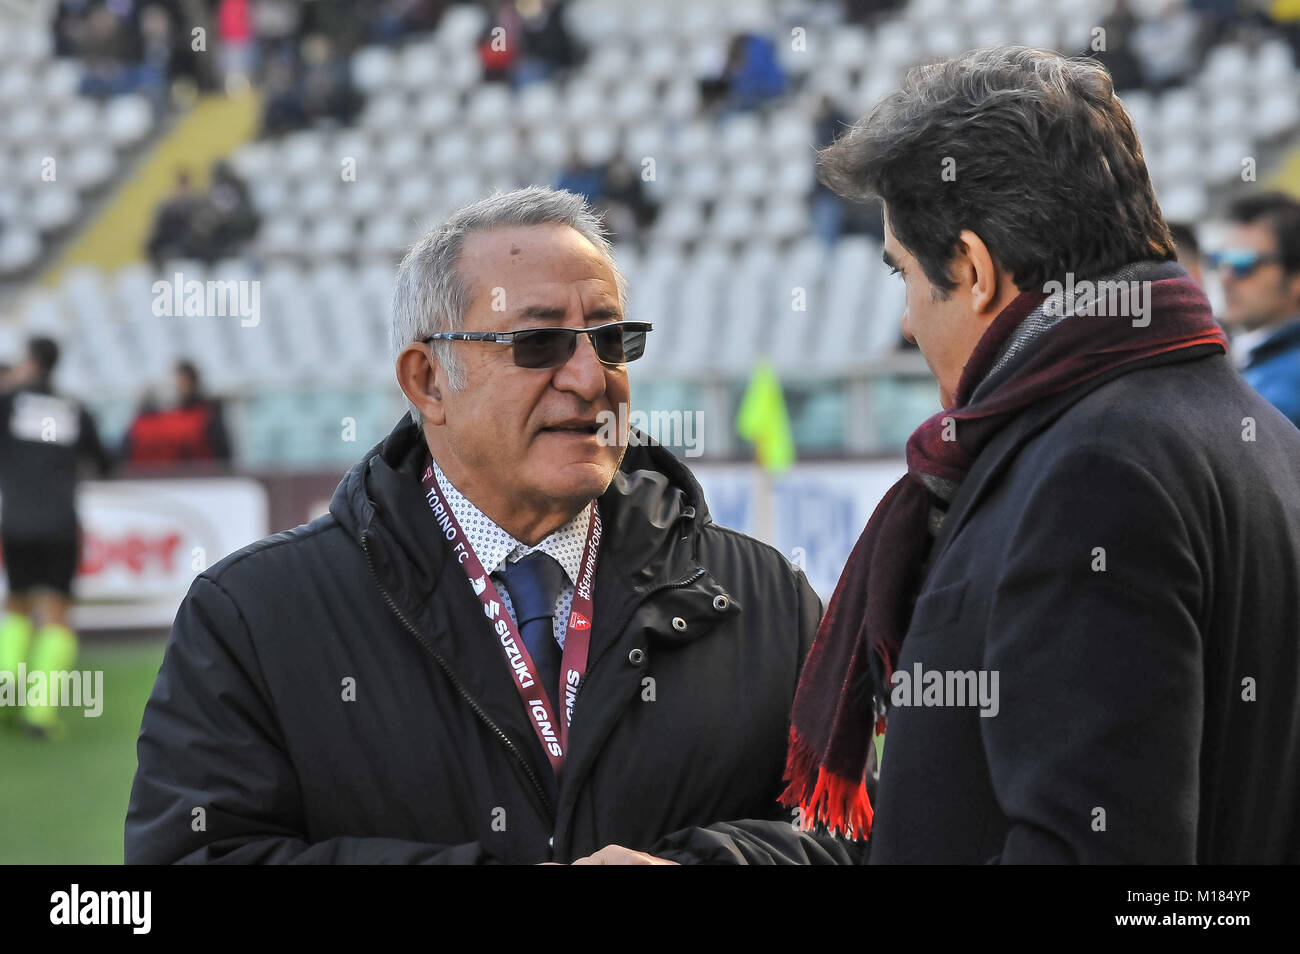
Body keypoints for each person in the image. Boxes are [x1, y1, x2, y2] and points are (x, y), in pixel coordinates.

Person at [125, 187, 852, 865]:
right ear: (428, 381)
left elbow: (857, 834)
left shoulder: (769, 600)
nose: (589, 378)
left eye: (609, 339)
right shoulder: (253, 617)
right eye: (538, 344)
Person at [780, 47, 1300, 863]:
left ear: (976, 269)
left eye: (904, 276)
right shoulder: (1263, 434)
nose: (909, 324)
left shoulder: (1093, 472)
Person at [0, 337, 110, 739]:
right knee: (58, 614)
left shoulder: (9, 404)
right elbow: (104, 463)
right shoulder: (74, 409)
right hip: (61, 523)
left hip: (16, 522)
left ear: (30, 362)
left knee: (16, 605)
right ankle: (39, 714)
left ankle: (7, 680)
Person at [1213, 192, 1300, 428]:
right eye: (1219, 260)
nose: (1225, 278)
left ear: (1295, 278)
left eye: (1243, 263)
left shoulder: (1281, 391)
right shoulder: (1249, 361)